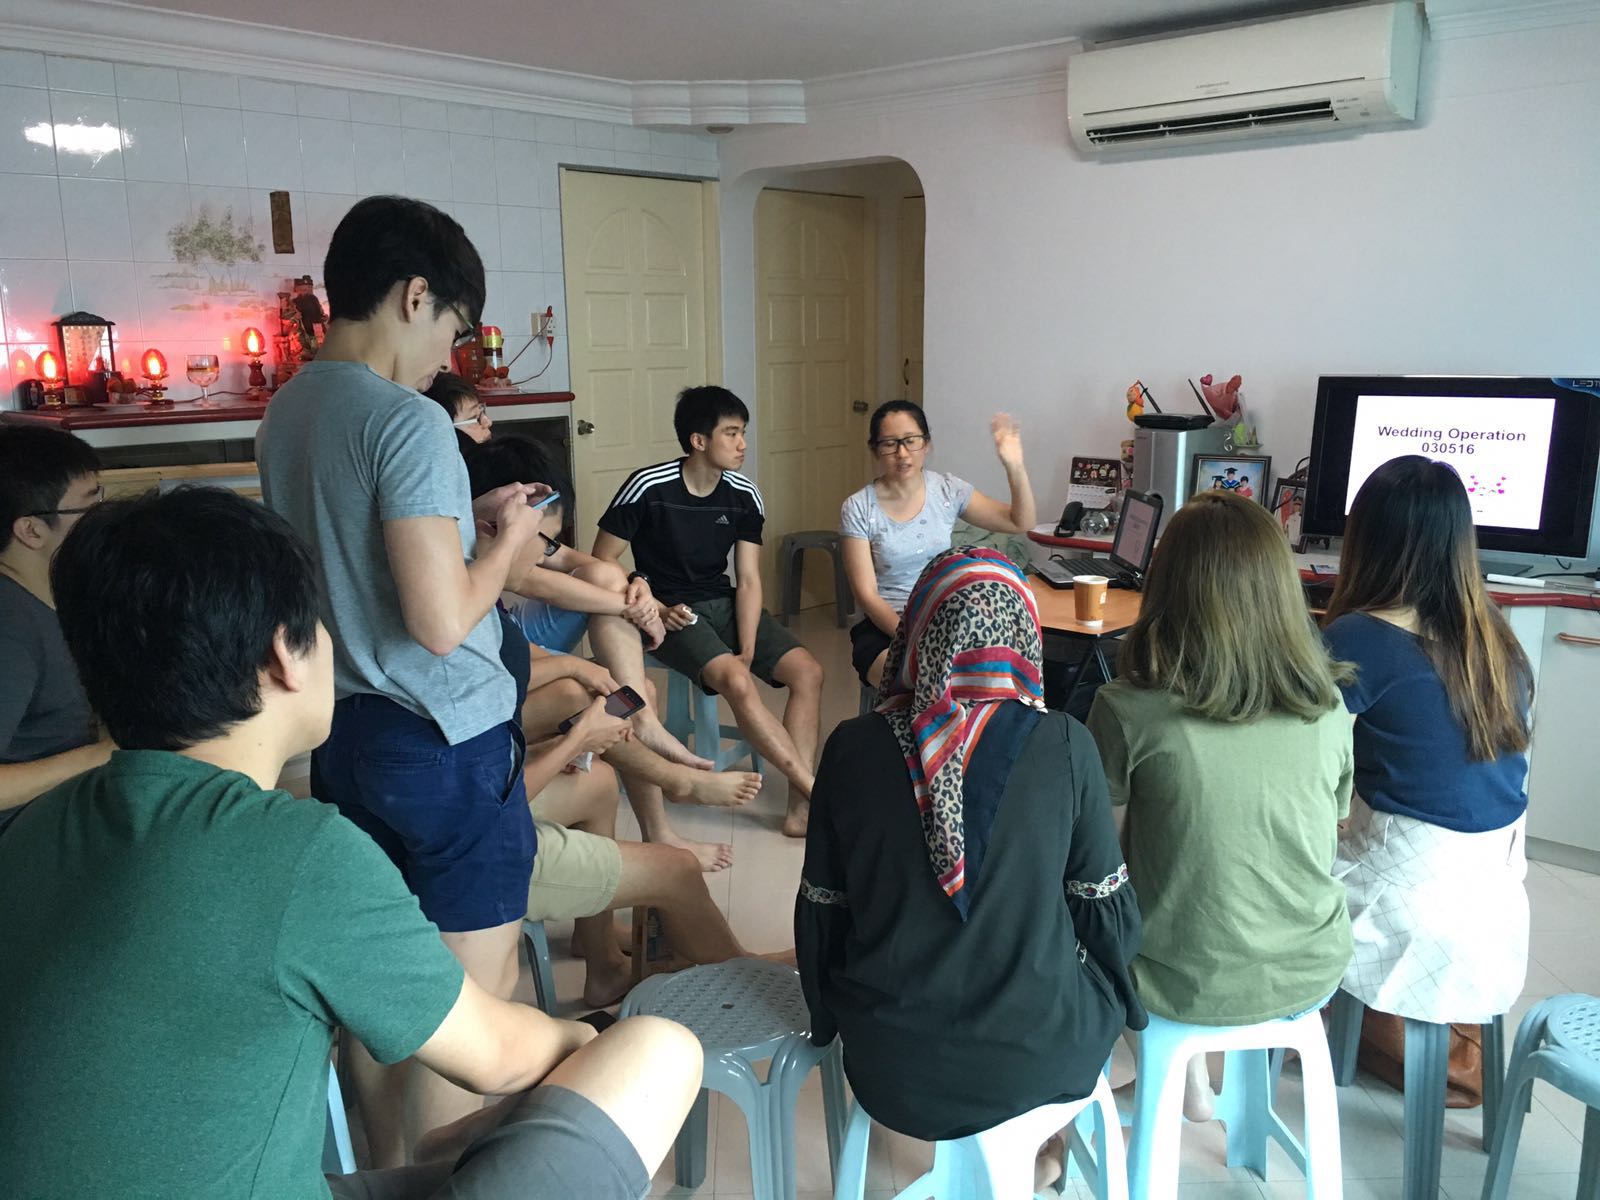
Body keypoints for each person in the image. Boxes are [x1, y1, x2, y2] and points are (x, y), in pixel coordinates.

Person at [0, 486, 704, 1199]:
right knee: (658, 1049)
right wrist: (589, 1043)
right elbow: (496, 1058)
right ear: (284, 654)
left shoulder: (38, 826)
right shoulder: (296, 853)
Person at [256, 194, 549, 1155]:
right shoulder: (408, 421)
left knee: (379, 991)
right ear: (415, 295)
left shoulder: (288, 409)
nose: (445, 357)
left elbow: (351, 563)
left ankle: (383, 1169)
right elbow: (440, 621)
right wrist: (506, 540)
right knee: (464, 1010)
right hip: (446, 740)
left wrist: (471, 533)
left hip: (346, 732)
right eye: (452, 330)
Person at [797, 547, 1144, 1183]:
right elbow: (1102, 909)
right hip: (1041, 1056)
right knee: (1070, 972)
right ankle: (1043, 1152)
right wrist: (1117, 998)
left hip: (891, 1064)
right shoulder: (1065, 744)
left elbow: (824, 905)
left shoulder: (851, 748)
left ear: (917, 632)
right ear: (1023, 636)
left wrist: (828, 1018)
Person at [1086, 491, 1354, 1121]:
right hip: (1311, 966)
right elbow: (1330, 828)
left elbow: (1103, 865)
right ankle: (1186, 1077)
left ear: (1165, 590)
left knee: (1079, 916)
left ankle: (1155, 1082)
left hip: (1182, 979)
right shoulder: (1329, 706)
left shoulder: (1126, 710)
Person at [465, 434, 763, 865]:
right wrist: (620, 622)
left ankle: (658, 825)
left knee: (634, 687)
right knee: (583, 693)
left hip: (512, 680)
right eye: (541, 537)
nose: (545, 549)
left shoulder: (493, 552)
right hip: (483, 718)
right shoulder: (466, 577)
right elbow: (509, 659)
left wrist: (636, 586)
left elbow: (568, 581)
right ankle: (674, 780)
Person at [1323, 457, 1533, 1053]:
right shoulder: (1496, 638)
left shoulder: (1358, 637)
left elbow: (1306, 763)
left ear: (1367, 540)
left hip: (1399, 908)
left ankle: (1283, 1026)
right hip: (1492, 906)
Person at [594, 385, 824, 838]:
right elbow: (601, 559)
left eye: (743, 433)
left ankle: (800, 807)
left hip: (725, 602)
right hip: (673, 612)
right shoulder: (649, 486)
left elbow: (749, 579)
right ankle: (816, 790)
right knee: (736, 679)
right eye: (731, 433)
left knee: (808, 673)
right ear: (699, 440)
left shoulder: (744, 493)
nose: (743, 444)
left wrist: (749, 646)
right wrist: (655, 606)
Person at [840, 401, 1036, 687]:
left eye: (911, 441)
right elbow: (867, 595)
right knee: (927, 684)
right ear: (875, 450)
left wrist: (1014, 466)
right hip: (885, 627)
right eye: (890, 444)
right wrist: (914, 636)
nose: (902, 453)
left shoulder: (947, 490)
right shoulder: (858, 507)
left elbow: (1021, 522)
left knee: (988, 681)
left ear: (926, 444)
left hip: (946, 619)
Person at [0, 426, 113, 828]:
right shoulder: (10, 630)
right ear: (31, 530)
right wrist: (104, 755)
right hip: (26, 840)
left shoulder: (51, 594)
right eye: (89, 506)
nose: (103, 518)